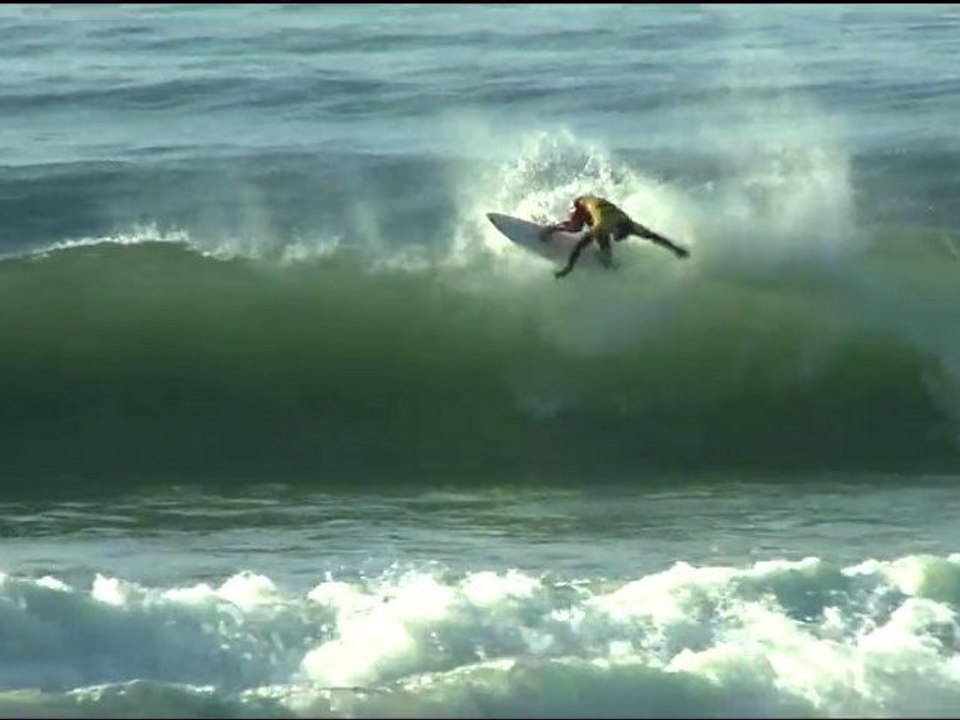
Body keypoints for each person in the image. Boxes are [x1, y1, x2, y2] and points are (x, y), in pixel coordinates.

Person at [540, 194, 689, 279]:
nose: (618, 239)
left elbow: (654, 237)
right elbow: (579, 246)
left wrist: (675, 249)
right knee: (576, 228)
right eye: (619, 236)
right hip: (581, 204)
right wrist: (568, 268)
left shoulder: (632, 226)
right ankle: (551, 229)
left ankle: (605, 260)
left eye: (623, 237)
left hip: (601, 211)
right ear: (615, 229)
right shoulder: (603, 225)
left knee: (606, 249)